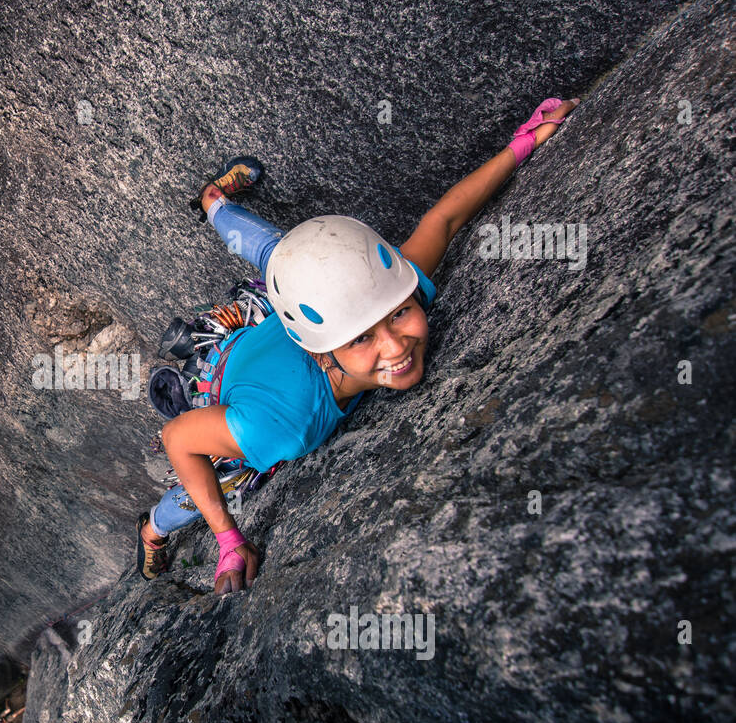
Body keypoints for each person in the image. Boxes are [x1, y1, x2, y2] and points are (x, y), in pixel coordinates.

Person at [137, 97, 581, 595]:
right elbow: (179, 439)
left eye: (400, 316)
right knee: (214, 485)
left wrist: (522, 143)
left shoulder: (386, 294)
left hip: (273, 332)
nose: (396, 347)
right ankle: (152, 529)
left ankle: (214, 199)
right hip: (224, 375)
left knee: (290, 257)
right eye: (363, 338)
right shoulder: (286, 425)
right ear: (324, 352)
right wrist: (228, 540)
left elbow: (445, 220)